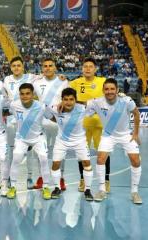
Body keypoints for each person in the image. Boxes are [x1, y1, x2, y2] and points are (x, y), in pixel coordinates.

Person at [86, 78, 142, 204]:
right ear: (103, 90)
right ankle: (101, 190)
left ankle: (134, 192)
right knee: (100, 159)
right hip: (108, 135)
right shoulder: (97, 102)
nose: (109, 91)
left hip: (126, 134)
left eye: (112, 89)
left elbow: (136, 114)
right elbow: (79, 105)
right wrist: (61, 103)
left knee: (136, 160)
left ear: (117, 90)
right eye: (106, 89)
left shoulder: (126, 100)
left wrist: (136, 133)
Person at [69, 57, 111, 193]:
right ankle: (82, 180)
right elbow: (66, 95)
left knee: (103, 154)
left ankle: (106, 181)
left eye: (90, 66)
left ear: (95, 69)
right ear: (82, 69)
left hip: (101, 124)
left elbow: (111, 95)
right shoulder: (75, 83)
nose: (87, 68)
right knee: (82, 154)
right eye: (85, 66)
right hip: (81, 126)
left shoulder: (103, 81)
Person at [6, 83, 52, 200]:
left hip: (38, 137)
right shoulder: (14, 105)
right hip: (22, 138)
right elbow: (5, 111)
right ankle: (13, 187)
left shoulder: (41, 106)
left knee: (44, 158)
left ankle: (46, 187)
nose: (25, 96)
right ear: (19, 95)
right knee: (16, 158)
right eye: (22, 94)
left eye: (28, 93)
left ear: (33, 94)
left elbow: (52, 117)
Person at [48, 88, 93, 201]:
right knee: (55, 164)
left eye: (71, 99)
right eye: (65, 99)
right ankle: (57, 187)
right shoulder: (55, 108)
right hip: (62, 141)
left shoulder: (82, 109)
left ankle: (87, 189)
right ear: (61, 100)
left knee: (86, 163)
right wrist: (58, 119)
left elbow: (99, 103)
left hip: (80, 141)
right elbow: (46, 113)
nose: (68, 102)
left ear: (75, 100)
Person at [3, 56, 40, 189]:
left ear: (23, 66)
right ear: (10, 68)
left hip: (28, 118)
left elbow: (46, 77)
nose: (16, 68)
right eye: (14, 66)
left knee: (29, 150)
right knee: (12, 150)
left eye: (19, 65)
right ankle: (9, 178)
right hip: (12, 118)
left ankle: (29, 177)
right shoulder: (7, 79)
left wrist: (61, 77)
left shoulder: (31, 77)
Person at [33, 57, 69, 190]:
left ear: (55, 67)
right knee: (40, 151)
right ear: (42, 68)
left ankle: (60, 178)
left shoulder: (63, 81)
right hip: (41, 120)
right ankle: (42, 176)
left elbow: (69, 98)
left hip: (59, 120)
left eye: (50, 65)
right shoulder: (36, 82)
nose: (48, 68)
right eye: (45, 66)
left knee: (60, 150)